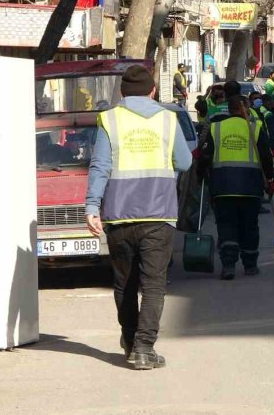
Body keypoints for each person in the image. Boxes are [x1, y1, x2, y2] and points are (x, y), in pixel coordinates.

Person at [85, 64, 192, 370]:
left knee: (125, 283)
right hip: (159, 214)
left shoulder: (110, 119)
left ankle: (130, 340)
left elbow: (100, 166)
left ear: (121, 93)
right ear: (153, 91)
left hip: (119, 215)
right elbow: (184, 162)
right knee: (154, 284)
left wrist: (92, 206)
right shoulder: (168, 119)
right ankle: (144, 348)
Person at [198, 96, 274, 280]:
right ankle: (250, 265)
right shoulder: (255, 128)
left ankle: (228, 265)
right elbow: (266, 157)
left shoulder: (217, 128)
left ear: (229, 110)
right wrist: (270, 181)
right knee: (249, 226)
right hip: (250, 187)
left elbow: (205, 156)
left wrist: (200, 175)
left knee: (226, 226)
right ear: (245, 109)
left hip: (223, 187)